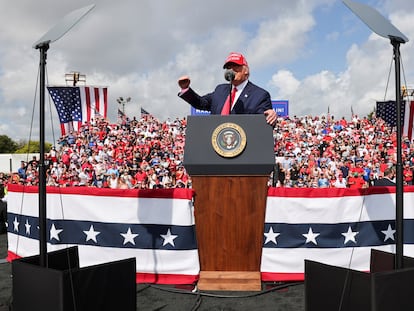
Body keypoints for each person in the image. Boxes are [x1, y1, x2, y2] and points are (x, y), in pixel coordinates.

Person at [177, 52, 277, 126]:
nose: (231, 69)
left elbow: (263, 122)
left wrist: (270, 116)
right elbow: (201, 103)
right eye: (228, 67)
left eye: (236, 66)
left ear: (246, 71)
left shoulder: (260, 95)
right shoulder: (220, 90)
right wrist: (186, 89)